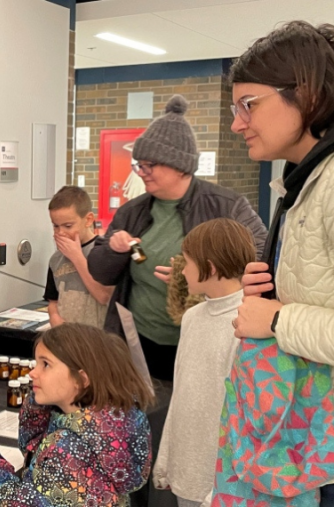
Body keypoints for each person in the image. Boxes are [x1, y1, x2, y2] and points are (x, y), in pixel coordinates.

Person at [221, 21, 334, 505]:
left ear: (304, 94)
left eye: (250, 105)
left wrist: (278, 318)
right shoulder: (302, 181)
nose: (237, 124)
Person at [87, 94, 267, 381]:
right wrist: (113, 247)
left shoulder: (227, 206)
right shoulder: (133, 211)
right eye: (139, 165)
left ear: (181, 166)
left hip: (204, 340)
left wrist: (198, 278)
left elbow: (260, 261)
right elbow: (100, 272)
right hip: (138, 340)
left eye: (149, 165)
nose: (141, 172)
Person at [0, 323, 153, 506]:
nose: (33, 372)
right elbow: (32, 449)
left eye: (45, 364)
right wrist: (38, 406)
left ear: (81, 379)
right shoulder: (110, 422)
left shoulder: (67, 451)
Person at [153, 219, 255, 507]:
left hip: (221, 487)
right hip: (186, 473)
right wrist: (166, 462)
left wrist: (222, 487)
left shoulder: (247, 322)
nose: (182, 271)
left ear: (209, 267)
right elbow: (181, 396)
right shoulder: (192, 317)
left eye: (187, 262)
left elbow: (243, 417)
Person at [44, 186, 112, 328]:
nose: (60, 232)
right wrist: (54, 317)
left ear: (88, 220)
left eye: (68, 226)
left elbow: (104, 296)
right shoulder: (55, 259)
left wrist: (76, 257)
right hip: (68, 338)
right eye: (56, 226)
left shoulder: (105, 252)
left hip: (99, 338)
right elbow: (53, 301)